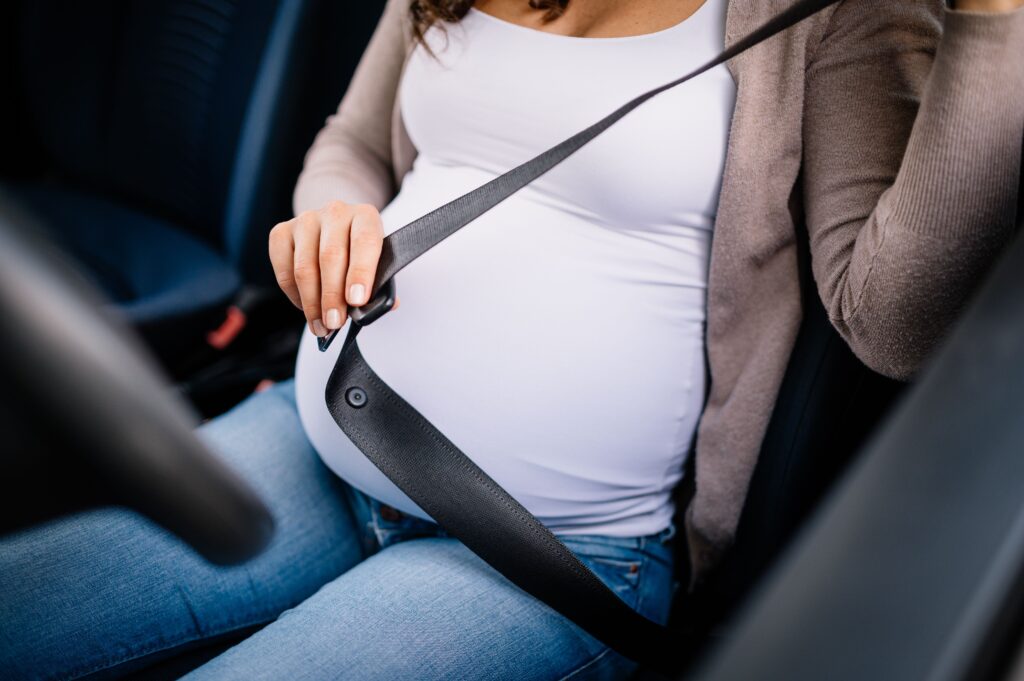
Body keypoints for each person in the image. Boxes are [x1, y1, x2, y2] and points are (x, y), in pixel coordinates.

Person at [2, 0, 1022, 679]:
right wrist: (328, 215)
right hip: (317, 437)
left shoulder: (821, 17)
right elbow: (349, 147)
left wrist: (992, 26)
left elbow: (891, 321)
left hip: (542, 554)